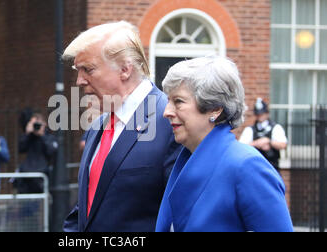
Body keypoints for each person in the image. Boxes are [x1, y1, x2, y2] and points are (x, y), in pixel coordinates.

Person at [62, 21, 182, 232]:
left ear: (125, 70)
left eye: (88, 69)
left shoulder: (171, 121)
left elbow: (182, 215)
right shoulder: (97, 127)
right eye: (77, 70)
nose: (79, 81)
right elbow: (88, 209)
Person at [156, 56, 293, 232]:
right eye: (168, 101)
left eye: (178, 101)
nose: (166, 112)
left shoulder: (247, 165)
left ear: (215, 108)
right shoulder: (185, 159)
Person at [239, 98, 287, 173]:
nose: (260, 116)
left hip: (272, 167)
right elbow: (241, 147)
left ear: (267, 113)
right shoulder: (250, 129)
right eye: (258, 114)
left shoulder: (276, 127)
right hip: (255, 168)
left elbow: (283, 145)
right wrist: (257, 143)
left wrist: (269, 142)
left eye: (262, 113)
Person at [17, 112, 58, 194]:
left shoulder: (49, 137)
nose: (36, 126)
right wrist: (27, 133)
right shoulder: (29, 137)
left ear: (44, 124)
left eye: (37, 124)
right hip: (27, 176)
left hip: (41, 176)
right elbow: (20, 149)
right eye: (33, 124)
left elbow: (51, 151)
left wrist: (42, 135)